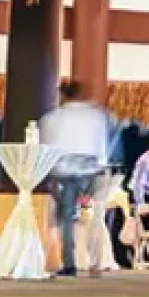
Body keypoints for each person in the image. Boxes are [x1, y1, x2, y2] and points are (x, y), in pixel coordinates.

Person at [39, 79, 115, 277]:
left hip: (65, 171)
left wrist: (52, 175)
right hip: (90, 170)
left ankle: (70, 261)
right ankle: (95, 260)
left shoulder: (53, 118)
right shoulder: (95, 116)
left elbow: (48, 147)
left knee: (66, 217)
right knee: (92, 215)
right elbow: (102, 146)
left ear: (62, 95)